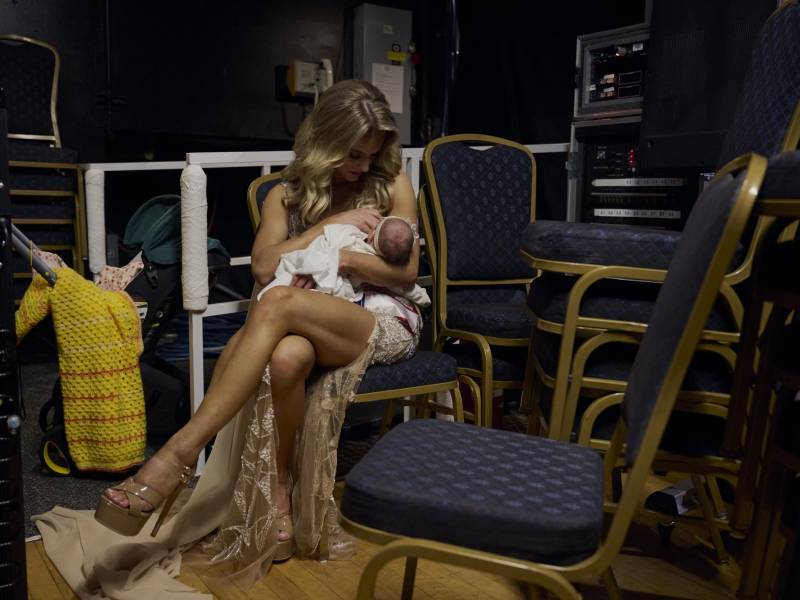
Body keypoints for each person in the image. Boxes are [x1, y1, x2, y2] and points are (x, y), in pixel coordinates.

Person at [35, 79, 424, 598]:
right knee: (286, 356)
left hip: (380, 317)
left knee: (276, 304)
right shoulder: (285, 193)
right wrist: (335, 224)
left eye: (369, 155)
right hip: (315, 319)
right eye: (352, 154)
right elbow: (264, 265)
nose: (360, 167)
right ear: (325, 141)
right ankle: (280, 499)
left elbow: (405, 274)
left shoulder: (392, 181)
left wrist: (342, 256)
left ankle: (174, 460)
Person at [257, 216, 430, 315]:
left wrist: (337, 258)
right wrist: (422, 296)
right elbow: (406, 288)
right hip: (330, 294)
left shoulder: (351, 237)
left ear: (371, 236)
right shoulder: (370, 258)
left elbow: (406, 276)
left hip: (329, 291)